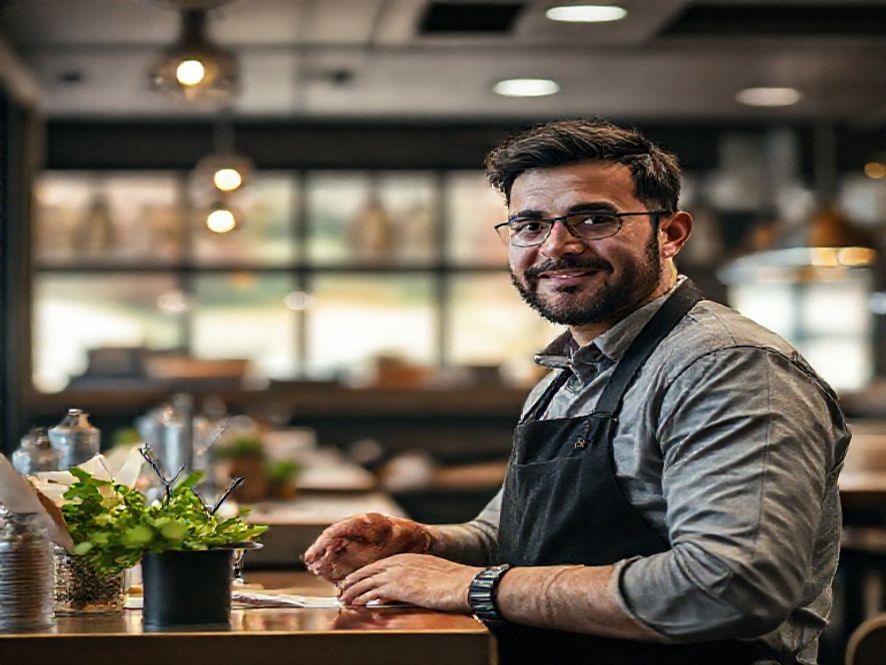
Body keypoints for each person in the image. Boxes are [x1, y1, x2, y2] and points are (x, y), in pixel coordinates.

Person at [304, 118, 850, 665]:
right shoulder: (568, 373)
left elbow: (730, 587)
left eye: (593, 218)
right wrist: (424, 545)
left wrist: (472, 587)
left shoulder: (727, 367)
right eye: (530, 225)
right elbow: (510, 536)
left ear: (671, 233)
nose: (557, 246)